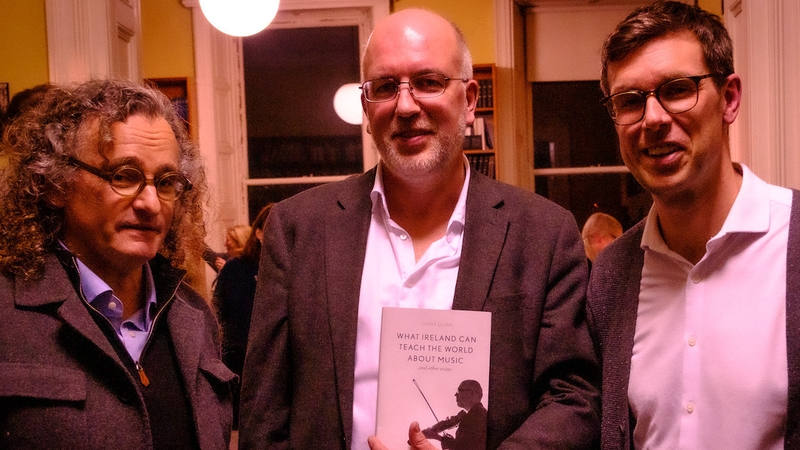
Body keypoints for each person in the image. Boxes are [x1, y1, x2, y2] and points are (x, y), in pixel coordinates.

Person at [239, 8, 600, 450]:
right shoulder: (297, 229)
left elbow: (574, 396)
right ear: (366, 106)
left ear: (469, 100)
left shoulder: (543, 234)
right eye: (386, 87)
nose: (406, 106)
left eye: (428, 82)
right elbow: (263, 410)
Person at [587, 2, 800, 449]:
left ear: (729, 98)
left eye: (677, 89)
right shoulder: (611, 278)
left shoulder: (795, 241)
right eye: (629, 101)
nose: (654, 119)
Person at [0, 79, 235, 449]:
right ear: (56, 183)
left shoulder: (196, 317)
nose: (151, 204)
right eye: (123, 176)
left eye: (167, 181)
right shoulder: (8, 314)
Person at [214, 203, 273, 432]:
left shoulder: (296, 269)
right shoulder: (236, 269)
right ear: (258, 233)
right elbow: (219, 315)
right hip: (238, 363)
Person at [422, 380, 487, 450]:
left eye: (459, 391)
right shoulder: (475, 414)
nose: (455, 394)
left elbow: (464, 447)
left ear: (472, 393)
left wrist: (438, 437)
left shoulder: (477, 415)